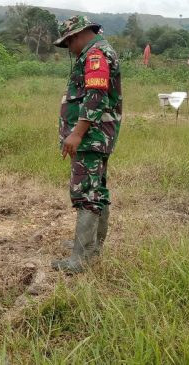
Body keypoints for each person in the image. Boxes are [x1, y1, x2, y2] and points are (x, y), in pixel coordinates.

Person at [51, 15, 123, 273]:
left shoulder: (96, 55)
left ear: (78, 35)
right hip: (96, 135)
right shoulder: (98, 52)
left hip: (92, 136)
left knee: (86, 194)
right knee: (96, 190)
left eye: (69, 43)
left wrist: (77, 133)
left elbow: (96, 95)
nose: (69, 49)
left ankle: (80, 260)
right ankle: (89, 248)